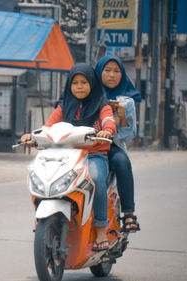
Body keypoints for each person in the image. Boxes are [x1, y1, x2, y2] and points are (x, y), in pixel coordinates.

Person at [21, 63, 116, 251]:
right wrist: (32, 136)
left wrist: (107, 131)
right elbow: (47, 127)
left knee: (95, 179)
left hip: (93, 155)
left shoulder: (101, 104)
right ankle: (46, 221)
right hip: (67, 156)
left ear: (92, 84)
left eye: (84, 82)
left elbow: (109, 121)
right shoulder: (64, 107)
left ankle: (101, 229)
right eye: (75, 83)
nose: (79, 86)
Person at [95, 54, 141, 233]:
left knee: (122, 162)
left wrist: (121, 117)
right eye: (107, 70)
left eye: (117, 71)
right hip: (87, 144)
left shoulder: (127, 102)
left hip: (112, 145)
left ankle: (129, 213)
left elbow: (127, 136)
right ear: (99, 73)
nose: (112, 75)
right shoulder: (89, 94)